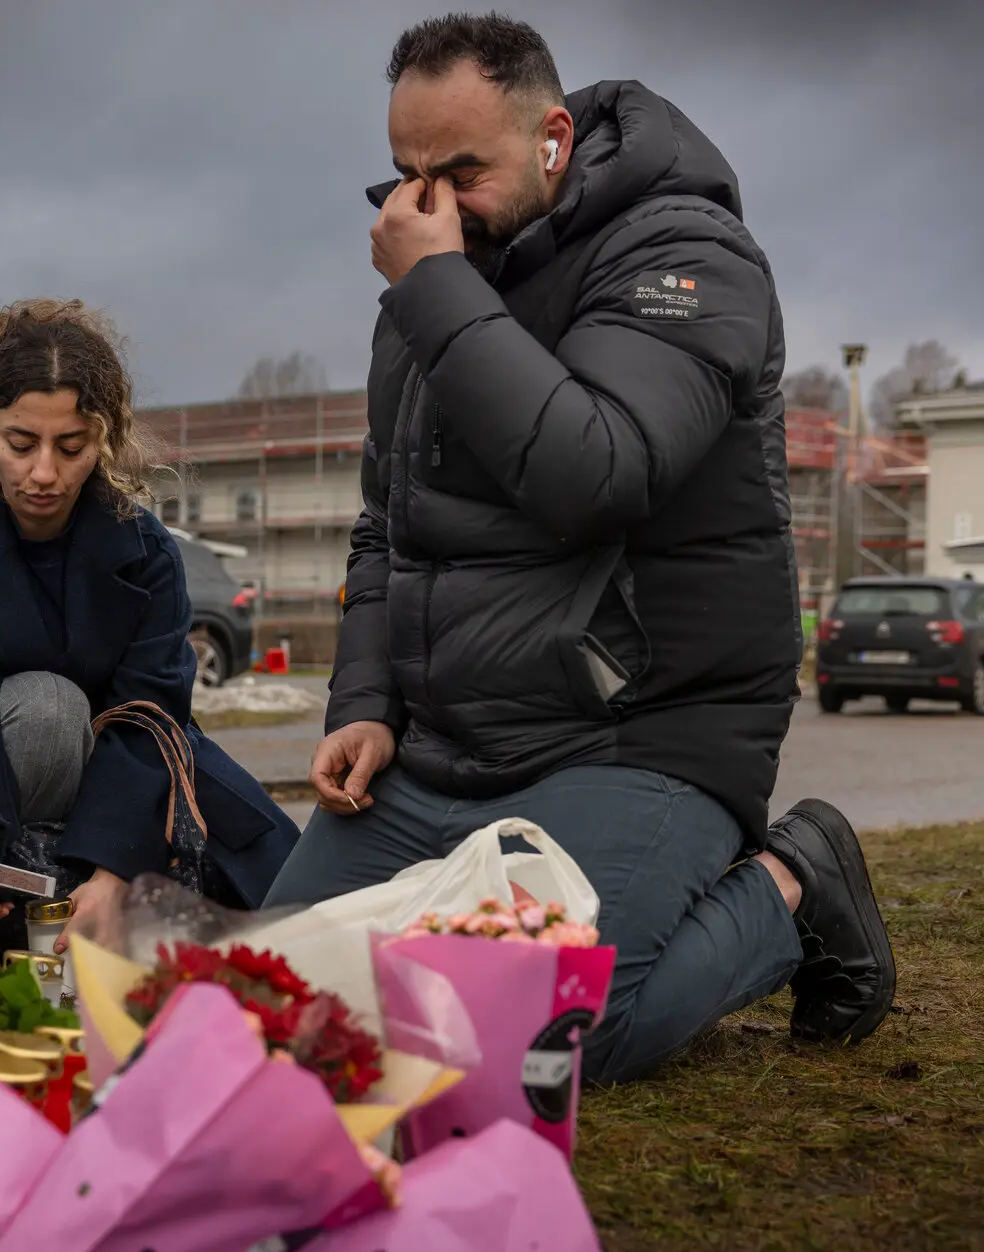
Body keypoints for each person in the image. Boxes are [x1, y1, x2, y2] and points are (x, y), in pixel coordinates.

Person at [262, 14, 895, 1082]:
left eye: (461, 173)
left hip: (636, 735)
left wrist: (433, 290)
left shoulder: (685, 254)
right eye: (407, 175)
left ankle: (793, 879)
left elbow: (596, 473)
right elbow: (385, 522)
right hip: (447, 747)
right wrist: (364, 703)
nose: (426, 206)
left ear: (552, 138)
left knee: (540, 1040)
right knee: (277, 997)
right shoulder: (434, 282)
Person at [0, 299, 299, 953]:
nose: (44, 473)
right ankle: (13, 895)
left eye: (72, 447)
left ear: (105, 439)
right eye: (21, 444)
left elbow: (153, 712)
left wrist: (113, 869)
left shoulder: (147, 551)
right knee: (51, 712)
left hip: (121, 778)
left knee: (285, 891)